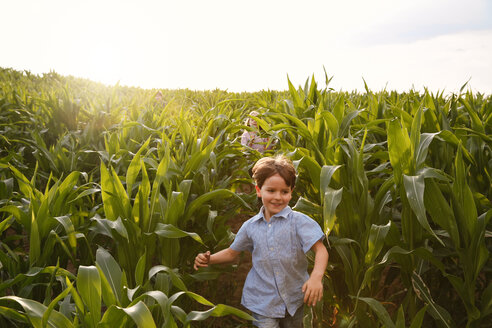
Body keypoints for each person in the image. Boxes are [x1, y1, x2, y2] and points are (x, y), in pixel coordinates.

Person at [194, 155, 329, 328]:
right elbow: (231, 253)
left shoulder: (300, 222)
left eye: (284, 191)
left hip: (296, 298)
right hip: (262, 301)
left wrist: (316, 278)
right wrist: (209, 259)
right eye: (271, 191)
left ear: (291, 192)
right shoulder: (250, 227)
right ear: (258, 190)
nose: (278, 197)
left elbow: (321, 250)